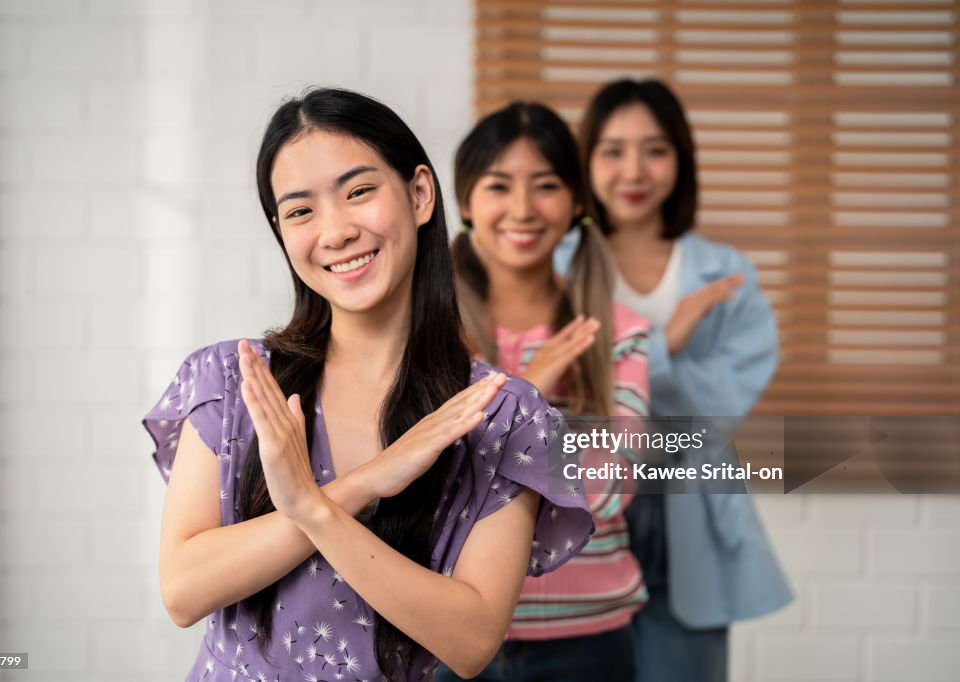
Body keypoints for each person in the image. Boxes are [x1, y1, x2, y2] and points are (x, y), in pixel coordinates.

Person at [142, 88, 595, 682]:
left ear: (419, 194)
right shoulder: (233, 381)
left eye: (358, 192)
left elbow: (472, 639)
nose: (335, 231)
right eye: (301, 211)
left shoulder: (499, 415)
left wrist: (313, 509)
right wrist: (363, 486)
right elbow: (183, 591)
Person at [556, 78, 794, 681]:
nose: (633, 169)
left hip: (688, 504)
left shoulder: (725, 273)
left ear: (680, 161)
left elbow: (715, 413)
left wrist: (644, 356)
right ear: (586, 162)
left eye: (655, 149)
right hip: (585, 499)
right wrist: (669, 342)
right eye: (612, 150)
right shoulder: (553, 266)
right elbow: (548, 399)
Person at [436, 101, 649, 682]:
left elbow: (611, 487)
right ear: (464, 202)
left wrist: (494, 422)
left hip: (589, 638)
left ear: (578, 201)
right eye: (499, 185)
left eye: (547, 185)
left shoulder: (619, 332)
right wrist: (532, 395)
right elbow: (420, 487)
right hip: (447, 632)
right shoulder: (424, 332)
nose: (523, 209)